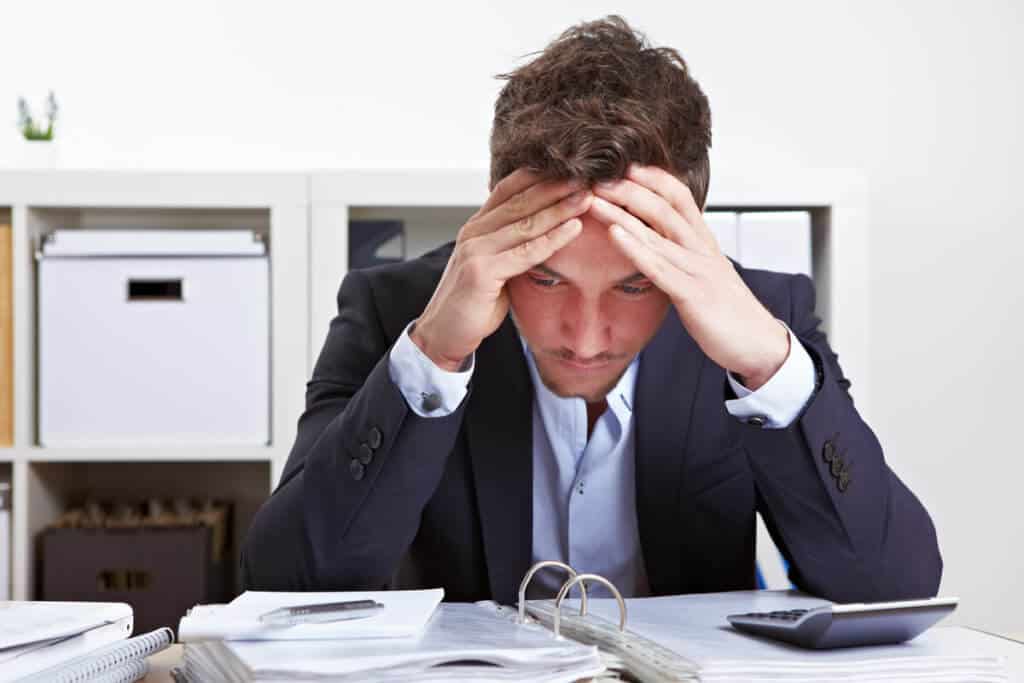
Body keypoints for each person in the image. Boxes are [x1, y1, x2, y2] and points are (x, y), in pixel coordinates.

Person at [241, 15, 941, 605]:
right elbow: (284, 586)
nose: (583, 337)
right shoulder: (396, 311)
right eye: (546, 278)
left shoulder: (764, 318)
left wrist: (768, 368)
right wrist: (433, 357)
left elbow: (891, 585)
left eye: (633, 287)